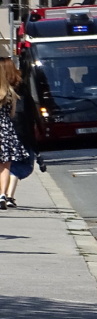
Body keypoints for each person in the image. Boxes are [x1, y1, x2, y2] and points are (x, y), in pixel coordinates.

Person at [0, 50, 31, 210]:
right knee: (6, 165)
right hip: (5, 130)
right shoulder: (10, 93)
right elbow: (12, 113)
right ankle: (3, 195)